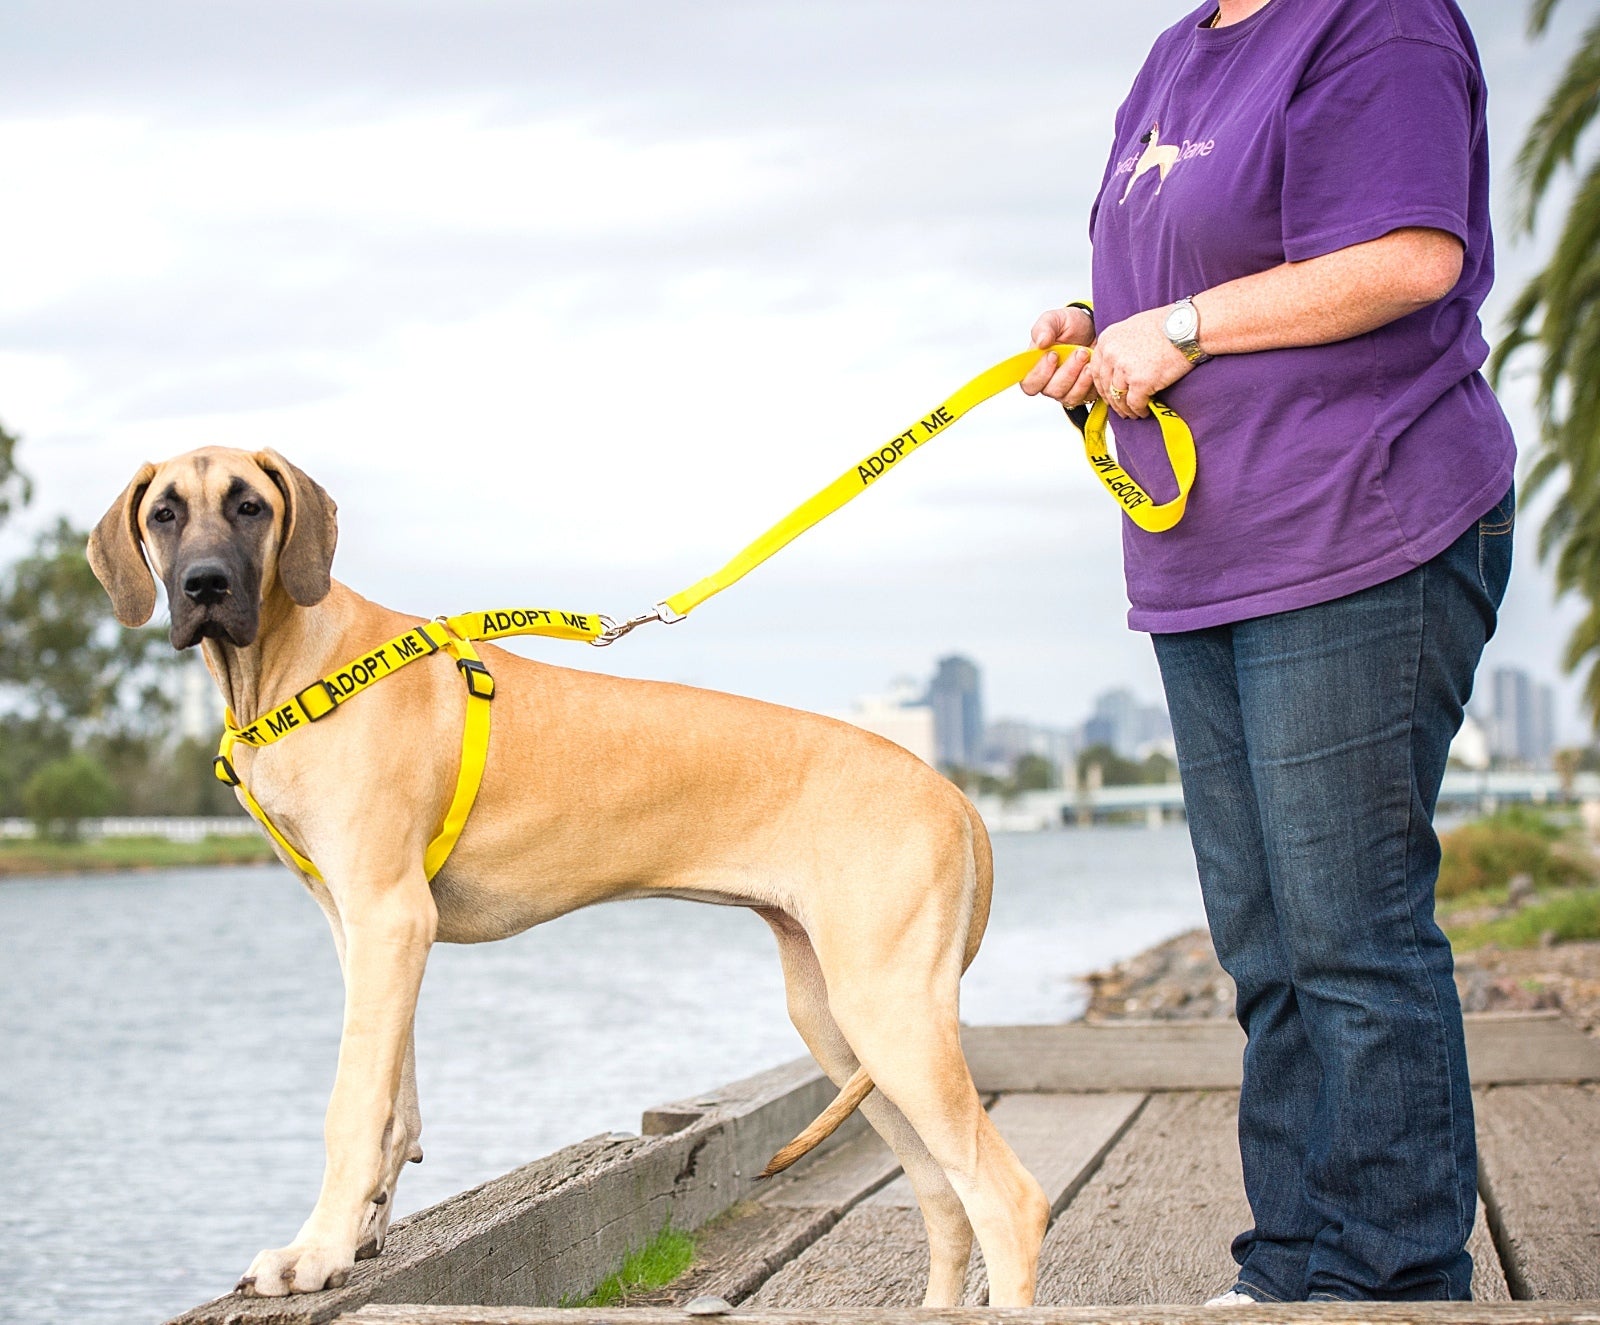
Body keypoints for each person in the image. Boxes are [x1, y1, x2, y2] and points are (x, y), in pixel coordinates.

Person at [1021, 0, 1515, 1304]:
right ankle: (1293, 1262)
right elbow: (1194, 259)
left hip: (1361, 524)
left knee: (1349, 937)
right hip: (1205, 558)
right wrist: (1096, 322)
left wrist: (1176, 330)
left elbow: (1409, 253)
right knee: (1265, 949)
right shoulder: (1182, 49)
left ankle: (1394, 1276)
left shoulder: (1378, 19)